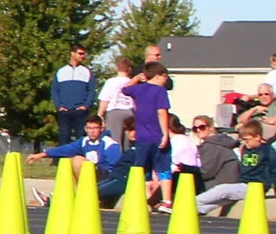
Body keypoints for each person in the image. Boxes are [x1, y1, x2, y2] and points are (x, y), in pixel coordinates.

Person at [124, 62, 176, 208]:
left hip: (142, 137)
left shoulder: (138, 89)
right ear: (159, 76)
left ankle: (144, 199)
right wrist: (165, 133)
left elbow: (125, 89)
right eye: (165, 76)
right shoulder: (160, 91)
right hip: (157, 135)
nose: (166, 79)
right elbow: (161, 112)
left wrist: (136, 78)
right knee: (163, 168)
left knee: (141, 168)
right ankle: (166, 201)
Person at [43, 116, 127, 205]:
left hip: (106, 179)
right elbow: (66, 149)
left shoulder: (110, 144)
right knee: (68, 162)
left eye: (95, 128)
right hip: (92, 177)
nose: (92, 131)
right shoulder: (84, 141)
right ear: (85, 129)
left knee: (78, 161)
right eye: (89, 128)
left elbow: (115, 168)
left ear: (101, 129)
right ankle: (65, 196)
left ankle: (78, 197)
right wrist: (42, 154)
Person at [194, 118, 247, 215]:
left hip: (222, 186)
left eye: (202, 127)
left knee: (187, 203)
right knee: (196, 208)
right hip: (227, 185)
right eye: (195, 128)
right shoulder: (220, 142)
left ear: (211, 128)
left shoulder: (211, 146)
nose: (198, 130)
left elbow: (205, 172)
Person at [50, 46, 95, 145]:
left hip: (80, 111)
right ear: (72, 53)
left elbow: (92, 90)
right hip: (64, 111)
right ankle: (62, 155)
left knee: (81, 138)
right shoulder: (61, 71)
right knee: (64, 138)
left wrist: (86, 106)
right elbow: (54, 90)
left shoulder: (86, 71)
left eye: (84, 54)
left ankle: (81, 155)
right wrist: (59, 106)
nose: (83, 56)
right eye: (80, 53)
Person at [99, 57, 137, 147]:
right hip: (130, 112)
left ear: (116, 67)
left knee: (114, 141)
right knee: (128, 141)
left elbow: (105, 99)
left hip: (115, 112)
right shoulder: (132, 82)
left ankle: (116, 156)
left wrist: (100, 114)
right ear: (129, 68)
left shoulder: (111, 82)